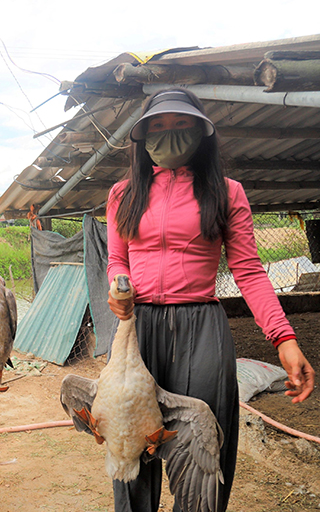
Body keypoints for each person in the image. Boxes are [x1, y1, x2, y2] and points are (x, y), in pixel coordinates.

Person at [105, 87, 315, 512]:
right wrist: (118, 284)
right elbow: (115, 258)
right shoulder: (122, 194)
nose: (170, 133)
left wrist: (284, 339)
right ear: (143, 135)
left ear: (202, 132)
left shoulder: (226, 191)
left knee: (203, 449)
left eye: (182, 124)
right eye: (159, 125)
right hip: (137, 330)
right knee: (130, 444)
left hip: (202, 330)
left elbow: (250, 271)